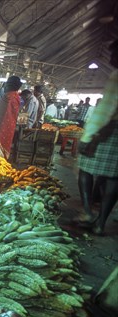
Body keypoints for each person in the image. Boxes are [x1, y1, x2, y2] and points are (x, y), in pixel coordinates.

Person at [76, 40, 118, 236]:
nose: (111, 57)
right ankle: (101, 222)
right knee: (113, 178)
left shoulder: (117, 76)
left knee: (85, 168)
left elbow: (105, 109)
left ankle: (86, 211)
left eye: (115, 53)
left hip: (110, 130)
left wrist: (88, 135)